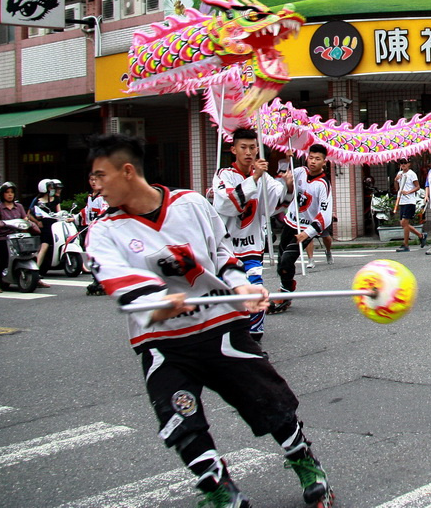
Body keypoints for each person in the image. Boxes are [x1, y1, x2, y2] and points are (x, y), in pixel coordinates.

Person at [84, 134, 332, 508]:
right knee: (180, 420)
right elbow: (117, 280)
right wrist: (156, 301)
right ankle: (218, 488)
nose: (96, 185)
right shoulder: (104, 232)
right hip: (163, 342)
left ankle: (304, 461)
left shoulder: (189, 203)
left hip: (220, 327)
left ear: (127, 171)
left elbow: (220, 252)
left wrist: (240, 287)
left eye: (100, 175)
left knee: (271, 401)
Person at [213, 128, 288, 342]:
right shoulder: (223, 174)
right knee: (228, 297)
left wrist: (288, 187)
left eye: (253, 147)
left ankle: (254, 340)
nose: (248, 152)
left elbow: (275, 204)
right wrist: (254, 178)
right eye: (243, 147)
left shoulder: (264, 176)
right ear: (233, 149)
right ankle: (229, 338)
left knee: (256, 293)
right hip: (226, 250)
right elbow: (226, 204)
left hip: (252, 247)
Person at [274, 144, 333, 313]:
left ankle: (285, 293)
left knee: (287, 260)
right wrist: (287, 170)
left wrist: (307, 233)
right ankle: (286, 286)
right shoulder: (299, 171)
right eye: (311, 157)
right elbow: (281, 187)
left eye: (317, 159)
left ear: (324, 162)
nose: (313, 161)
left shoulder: (323, 184)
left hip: (305, 229)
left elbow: (325, 215)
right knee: (281, 261)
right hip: (290, 223)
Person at [0, 182, 42, 294]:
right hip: (3, 237)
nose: (10, 195)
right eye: (7, 192)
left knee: (31, 253)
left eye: (12, 192)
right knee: (2, 258)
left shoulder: (19, 207)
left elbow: (25, 218)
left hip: (19, 236)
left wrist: (30, 223)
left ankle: (37, 278)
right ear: (2, 194)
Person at [29, 178, 63, 286]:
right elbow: (29, 214)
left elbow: (59, 212)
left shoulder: (56, 199)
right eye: (50, 187)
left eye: (53, 187)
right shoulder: (37, 201)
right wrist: (37, 222)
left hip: (56, 226)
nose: (52, 189)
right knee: (44, 246)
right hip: (45, 227)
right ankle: (36, 270)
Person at [393, 159, 425, 252]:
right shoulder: (399, 173)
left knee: (405, 223)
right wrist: (396, 180)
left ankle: (405, 244)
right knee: (402, 223)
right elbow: (397, 188)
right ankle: (420, 235)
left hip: (410, 201)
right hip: (402, 201)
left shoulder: (412, 174)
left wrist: (408, 192)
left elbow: (417, 186)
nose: (403, 165)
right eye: (401, 163)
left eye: (405, 163)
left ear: (409, 164)